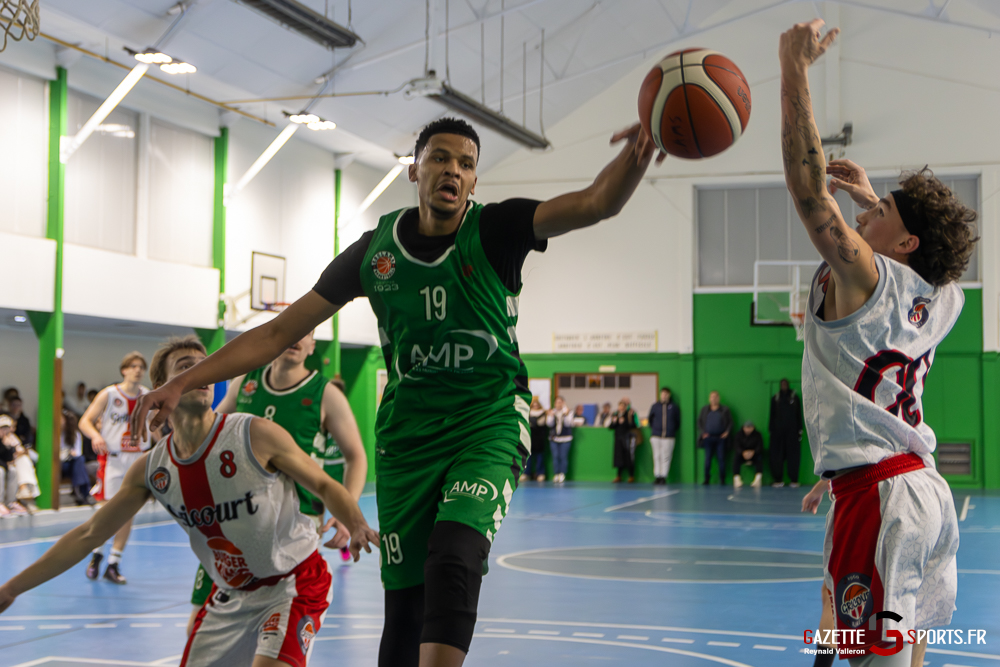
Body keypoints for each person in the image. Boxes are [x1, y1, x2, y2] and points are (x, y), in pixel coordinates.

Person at [131, 116, 662, 667]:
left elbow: (598, 202)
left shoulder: (498, 230)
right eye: (439, 157)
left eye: (466, 163)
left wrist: (638, 155)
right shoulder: (374, 253)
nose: (452, 169)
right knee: (404, 615)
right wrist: (184, 381)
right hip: (408, 442)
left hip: (487, 422)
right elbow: (275, 332)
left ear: (475, 181)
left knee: (454, 557)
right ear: (415, 169)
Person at [780, 20, 977, 665]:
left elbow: (809, 192)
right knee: (899, 645)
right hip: (919, 489)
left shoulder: (867, 277)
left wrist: (794, 69)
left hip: (883, 495)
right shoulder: (943, 300)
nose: (867, 209)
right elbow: (923, 263)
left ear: (902, 244)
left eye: (881, 208)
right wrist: (874, 199)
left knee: (862, 654)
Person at [0, 335, 379, 667]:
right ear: (162, 387)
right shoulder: (152, 468)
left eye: (205, 368)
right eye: (186, 368)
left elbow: (326, 485)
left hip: (292, 582)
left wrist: (355, 520)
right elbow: (88, 534)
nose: (200, 375)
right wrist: (10, 589)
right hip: (229, 593)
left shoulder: (255, 433)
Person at [185, 329, 369, 629]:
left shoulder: (325, 393)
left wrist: (346, 512)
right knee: (201, 620)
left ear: (312, 346)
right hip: (234, 518)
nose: (296, 337)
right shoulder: (245, 382)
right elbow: (209, 434)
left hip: (293, 525)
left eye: (306, 333)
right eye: (296, 329)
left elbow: (356, 456)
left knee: (276, 628)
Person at [78, 351, 152, 584]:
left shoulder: (148, 396)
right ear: (124, 370)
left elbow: (154, 426)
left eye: (141, 366)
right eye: (133, 366)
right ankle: (97, 553)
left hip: (138, 458)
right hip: (113, 460)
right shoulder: (109, 394)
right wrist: (95, 436)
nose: (138, 370)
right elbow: (84, 421)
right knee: (106, 510)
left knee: (128, 512)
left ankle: (114, 562)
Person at [0, 414, 37, 516]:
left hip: (4, 465)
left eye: (6, 428)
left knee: (13, 470)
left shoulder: (9, 439)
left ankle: (10, 503)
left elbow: (9, 458)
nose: (4, 431)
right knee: (1, 471)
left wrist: (7, 446)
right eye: (2, 428)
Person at [769, 378, 803, 488]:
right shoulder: (775, 398)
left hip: (792, 432)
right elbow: (772, 415)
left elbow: (799, 414)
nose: (784, 385)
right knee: (777, 456)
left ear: (788, 385)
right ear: (780, 385)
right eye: (782, 384)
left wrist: (800, 429)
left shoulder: (794, 397)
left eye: (785, 384)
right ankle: (778, 480)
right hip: (777, 433)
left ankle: (794, 480)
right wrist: (771, 429)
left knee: (793, 456)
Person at [60, 410, 94, 506]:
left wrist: (71, 454)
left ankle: (81, 492)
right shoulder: (54, 434)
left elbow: (78, 453)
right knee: (79, 462)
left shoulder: (75, 434)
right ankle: (83, 492)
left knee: (79, 460)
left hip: (71, 463)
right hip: (59, 465)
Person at [697, 391, 731, 486]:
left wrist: (727, 432)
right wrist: (703, 432)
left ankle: (722, 479)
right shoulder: (704, 410)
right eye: (712, 397)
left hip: (720, 438)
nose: (714, 398)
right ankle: (706, 479)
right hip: (708, 438)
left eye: (716, 397)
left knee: (721, 458)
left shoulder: (725, 410)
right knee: (708, 459)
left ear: (718, 398)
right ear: (709, 398)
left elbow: (730, 422)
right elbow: (699, 422)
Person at [647, 387, 680, 485]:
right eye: (663, 394)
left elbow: (677, 421)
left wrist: (671, 430)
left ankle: (663, 476)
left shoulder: (674, 407)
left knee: (666, 456)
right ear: (660, 394)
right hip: (656, 436)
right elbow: (650, 419)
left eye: (666, 394)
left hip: (669, 436)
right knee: (657, 456)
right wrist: (655, 429)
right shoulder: (655, 406)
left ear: (669, 395)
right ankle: (657, 475)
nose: (664, 396)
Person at [545, 396, 578, 484]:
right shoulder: (552, 412)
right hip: (554, 438)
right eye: (557, 402)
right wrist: (551, 416)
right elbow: (549, 424)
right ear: (554, 403)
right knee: (555, 456)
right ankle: (556, 473)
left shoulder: (568, 411)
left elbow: (569, 424)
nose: (558, 404)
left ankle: (562, 474)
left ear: (563, 403)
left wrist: (566, 414)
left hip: (565, 438)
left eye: (560, 402)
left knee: (563, 457)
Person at [608, 398, 638, 483]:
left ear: (625, 407)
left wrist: (625, 422)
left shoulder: (629, 414)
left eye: (623, 406)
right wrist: (615, 421)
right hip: (618, 438)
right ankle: (618, 476)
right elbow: (611, 427)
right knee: (618, 457)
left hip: (627, 438)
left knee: (628, 457)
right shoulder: (615, 415)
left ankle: (631, 476)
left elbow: (633, 425)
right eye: (620, 406)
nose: (621, 408)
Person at [731, 420, 763, 488]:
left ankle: (758, 479)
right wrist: (743, 452)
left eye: (749, 428)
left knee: (759, 457)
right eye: (746, 427)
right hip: (742, 455)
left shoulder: (758, 435)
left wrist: (753, 452)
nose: (747, 429)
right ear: (743, 428)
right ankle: (737, 478)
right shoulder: (738, 435)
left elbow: (760, 446)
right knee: (736, 457)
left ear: (753, 428)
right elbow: (736, 446)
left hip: (754, 454)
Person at [524, 397, 548, 482]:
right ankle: (526, 474)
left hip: (540, 438)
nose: (535, 405)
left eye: (537, 404)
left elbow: (542, 423)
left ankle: (540, 473)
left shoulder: (543, 413)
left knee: (540, 457)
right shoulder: (527, 413)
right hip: (529, 437)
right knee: (528, 457)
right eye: (534, 404)